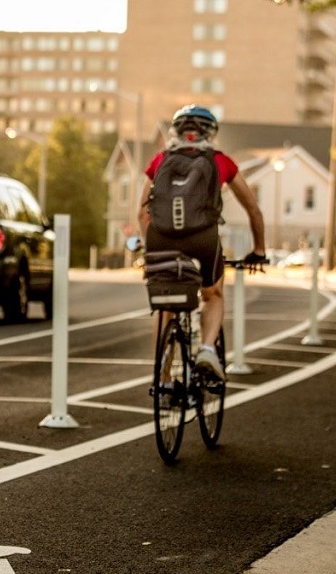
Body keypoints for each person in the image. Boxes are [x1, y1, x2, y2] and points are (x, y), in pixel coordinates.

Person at [132, 104, 266, 380]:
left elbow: (142, 212)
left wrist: (150, 249)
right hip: (203, 238)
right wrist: (259, 250)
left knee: (167, 303)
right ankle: (206, 349)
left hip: (161, 238)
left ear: (177, 131)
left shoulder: (160, 160)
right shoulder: (220, 161)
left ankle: (163, 376)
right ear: (211, 132)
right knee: (213, 294)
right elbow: (253, 209)